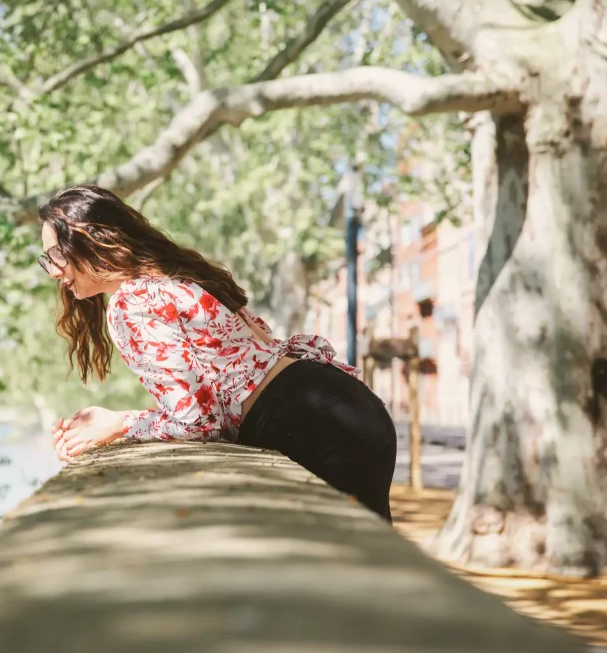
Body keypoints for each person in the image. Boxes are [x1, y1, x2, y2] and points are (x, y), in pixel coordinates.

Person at [38, 185, 397, 522]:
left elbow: (198, 423)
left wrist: (116, 424)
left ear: (91, 239)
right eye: (47, 260)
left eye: (56, 255)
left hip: (315, 427)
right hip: (344, 409)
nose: (54, 272)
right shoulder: (172, 277)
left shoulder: (132, 303)